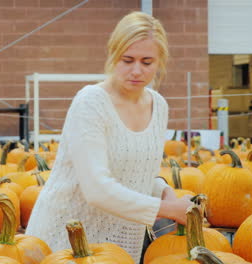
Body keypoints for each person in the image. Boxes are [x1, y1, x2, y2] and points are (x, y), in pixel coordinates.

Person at [25, 11, 193, 263]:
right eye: (128, 60)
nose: (137, 70)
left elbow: (138, 172)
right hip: (66, 245)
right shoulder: (91, 102)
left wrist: (163, 190)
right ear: (113, 55)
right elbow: (97, 189)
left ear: (160, 62)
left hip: (121, 246)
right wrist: (170, 210)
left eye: (147, 62)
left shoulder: (159, 106)